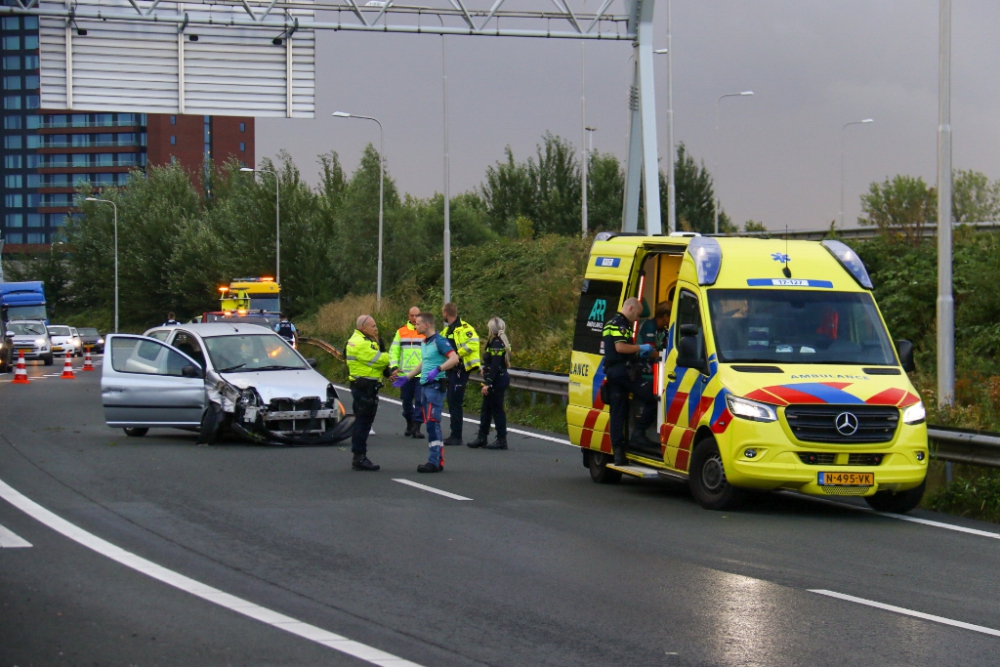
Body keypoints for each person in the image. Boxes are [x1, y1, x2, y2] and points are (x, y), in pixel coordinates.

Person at [602, 297, 658, 466]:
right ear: (631, 308)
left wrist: (636, 354)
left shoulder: (610, 322)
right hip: (622, 372)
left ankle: (619, 453)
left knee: (618, 412)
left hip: (613, 372)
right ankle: (638, 434)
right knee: (652, 396)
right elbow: (620, 348)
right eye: (638, 314)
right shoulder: (621, 324)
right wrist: (642, 348)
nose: (638, 318)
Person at [402, 312, 461, 473]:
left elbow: (454, 358)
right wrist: (407, 377)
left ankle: (435, 461)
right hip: (424, 386)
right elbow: (424, 362)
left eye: (418, 323)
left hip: (435, 386)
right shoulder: (425, 342)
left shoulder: (439, 341)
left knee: (433, 423)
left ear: (427, 325)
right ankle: (435, 460)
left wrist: (439, 369)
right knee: (429, 424)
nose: (415, 326)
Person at [346, 314, 394, 472]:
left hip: (364, 386)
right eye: (372, 326)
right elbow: (379, 360)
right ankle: (359, 457)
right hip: (364, 387)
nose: (376, 329)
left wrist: (388, 373)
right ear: (362, 328)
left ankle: (359, 456)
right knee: (363, 423)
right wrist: (393, 356)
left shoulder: (363, 340)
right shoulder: (361, 343)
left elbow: (377, 365)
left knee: (363, 422)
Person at [468, 317, 511, 450]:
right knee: (486, 409)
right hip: (495, 378)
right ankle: (482, 437)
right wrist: (484, 369)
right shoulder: (495, 342)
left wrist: (488, 383)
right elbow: (492, 364)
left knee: (496, 409)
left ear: (491, 329)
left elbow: (496, 366)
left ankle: (501, 439)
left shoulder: (497, 343)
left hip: (497, 380)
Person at [441, 302, 481, 446]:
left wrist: (457, 355)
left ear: (446, 313)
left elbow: (473, 344)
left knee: (455, 402)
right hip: (450, 371)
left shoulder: (465, 328)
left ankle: (456, 435)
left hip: (460, 370)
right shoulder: (446, 331)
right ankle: (454, 433)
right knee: (451, 401)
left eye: (442, 313)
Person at [389, 307, 425, 438]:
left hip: (421, 373)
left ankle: (417, 426)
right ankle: (409, 422)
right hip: (405, 374)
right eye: (412, 315)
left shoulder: (425, 331)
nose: (414, 318)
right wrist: (394, 367)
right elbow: (394, 351)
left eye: (417, 315)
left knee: (420, 401)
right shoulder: (401, 332)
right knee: (406, 401)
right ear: (408, 316)